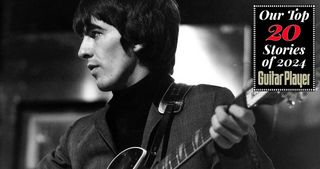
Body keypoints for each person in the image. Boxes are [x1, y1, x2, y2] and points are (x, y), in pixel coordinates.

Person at [37, 0, 274, 168]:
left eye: (96, 34)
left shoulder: (207, 106)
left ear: (137, 36)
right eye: (83, 37)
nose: (82, 51)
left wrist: (235, 150)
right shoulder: (78, 136)